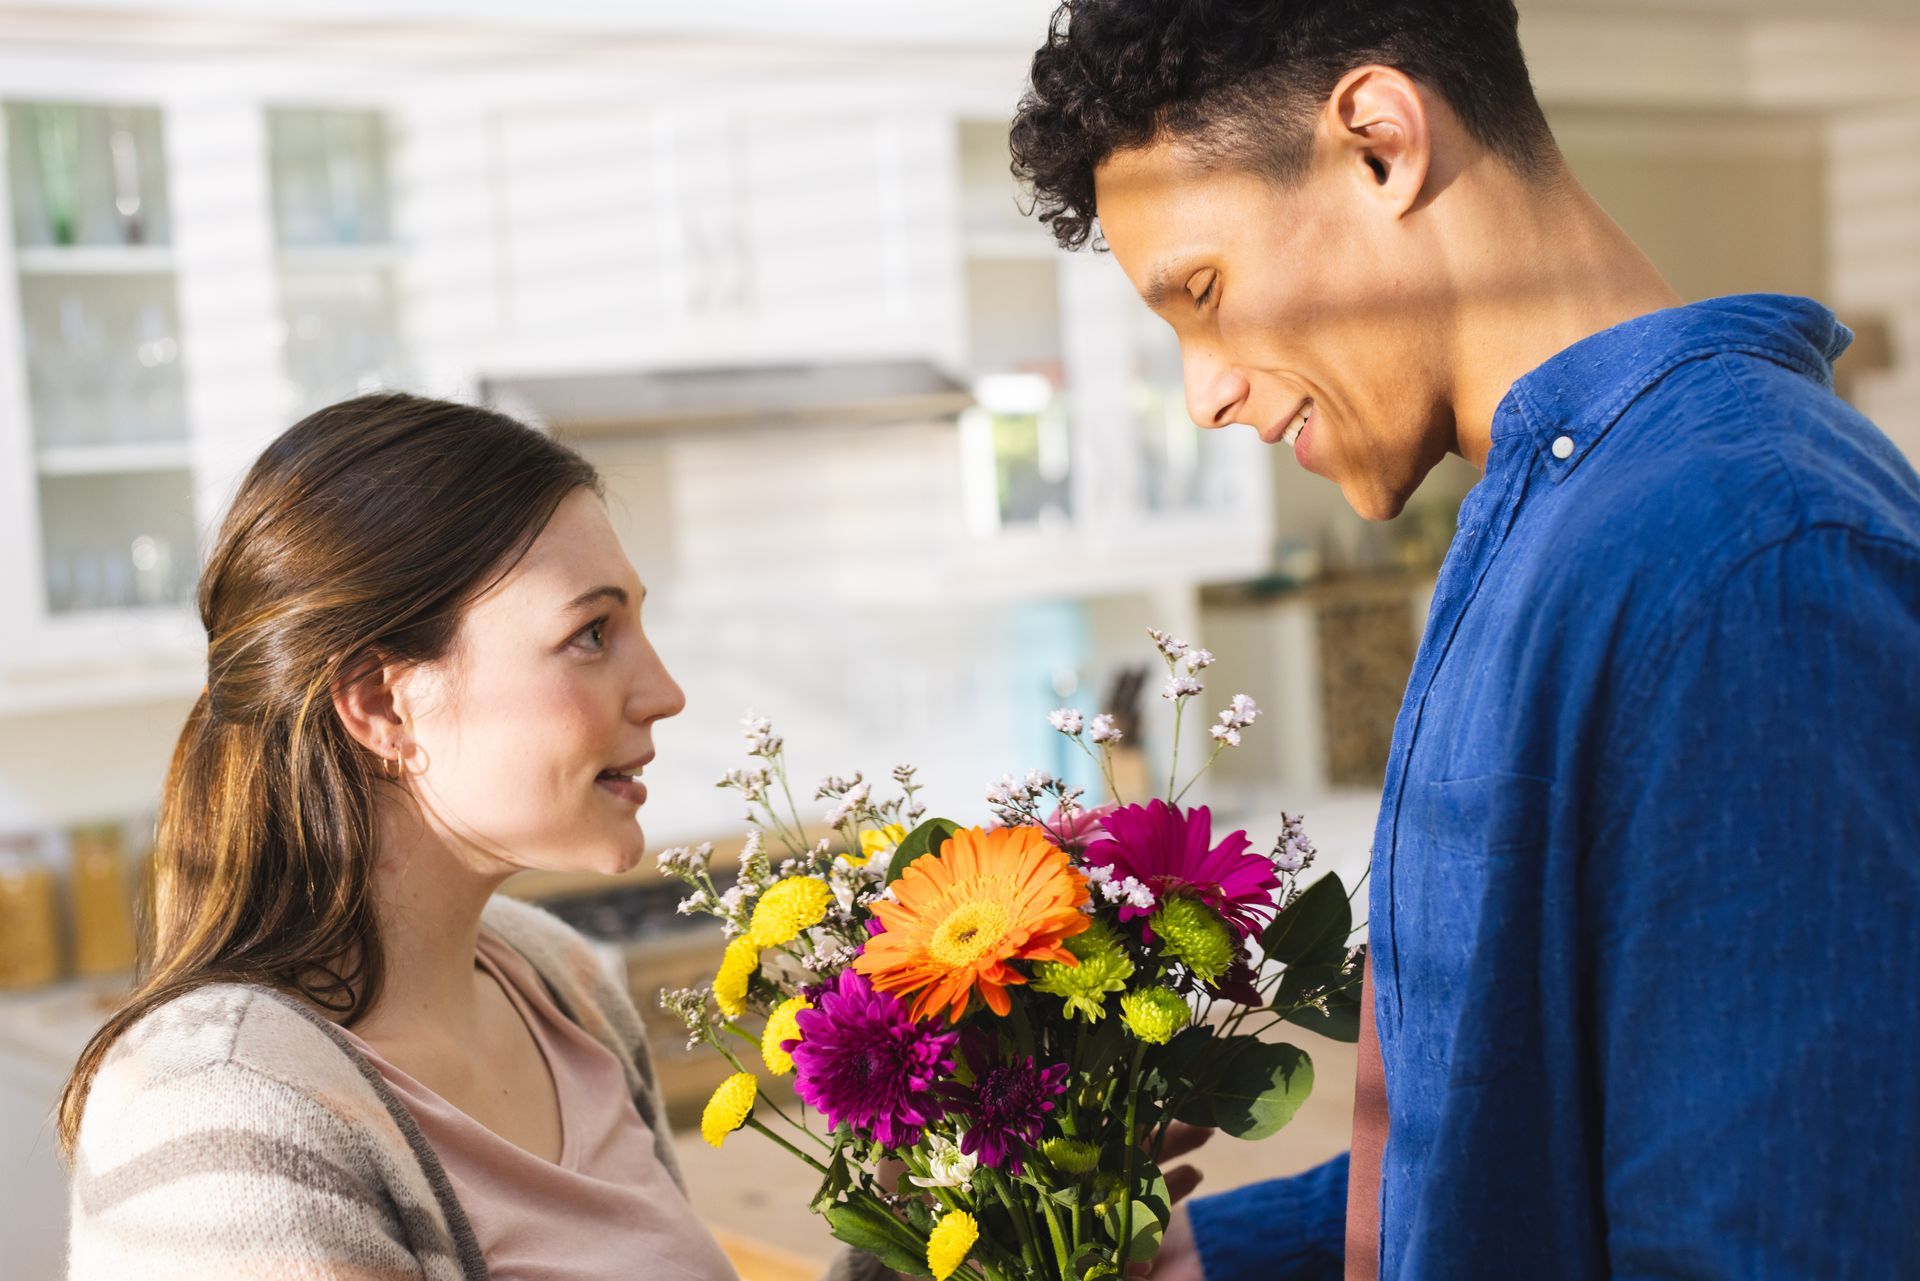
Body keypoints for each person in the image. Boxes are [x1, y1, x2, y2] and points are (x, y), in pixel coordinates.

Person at [1009, 2, 1920, 1279]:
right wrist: (1198, 1254)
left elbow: (1780, 1239)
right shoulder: (1560, 522)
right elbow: (1505, 1136)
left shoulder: (1744, 556)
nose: (1207, 389)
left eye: (1204, 294)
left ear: (1380, 144)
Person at [58, 394, 838, 1281]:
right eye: (591, 633)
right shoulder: (222, 1112)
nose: (663, 690)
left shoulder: (560, 983)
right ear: (383, 703)